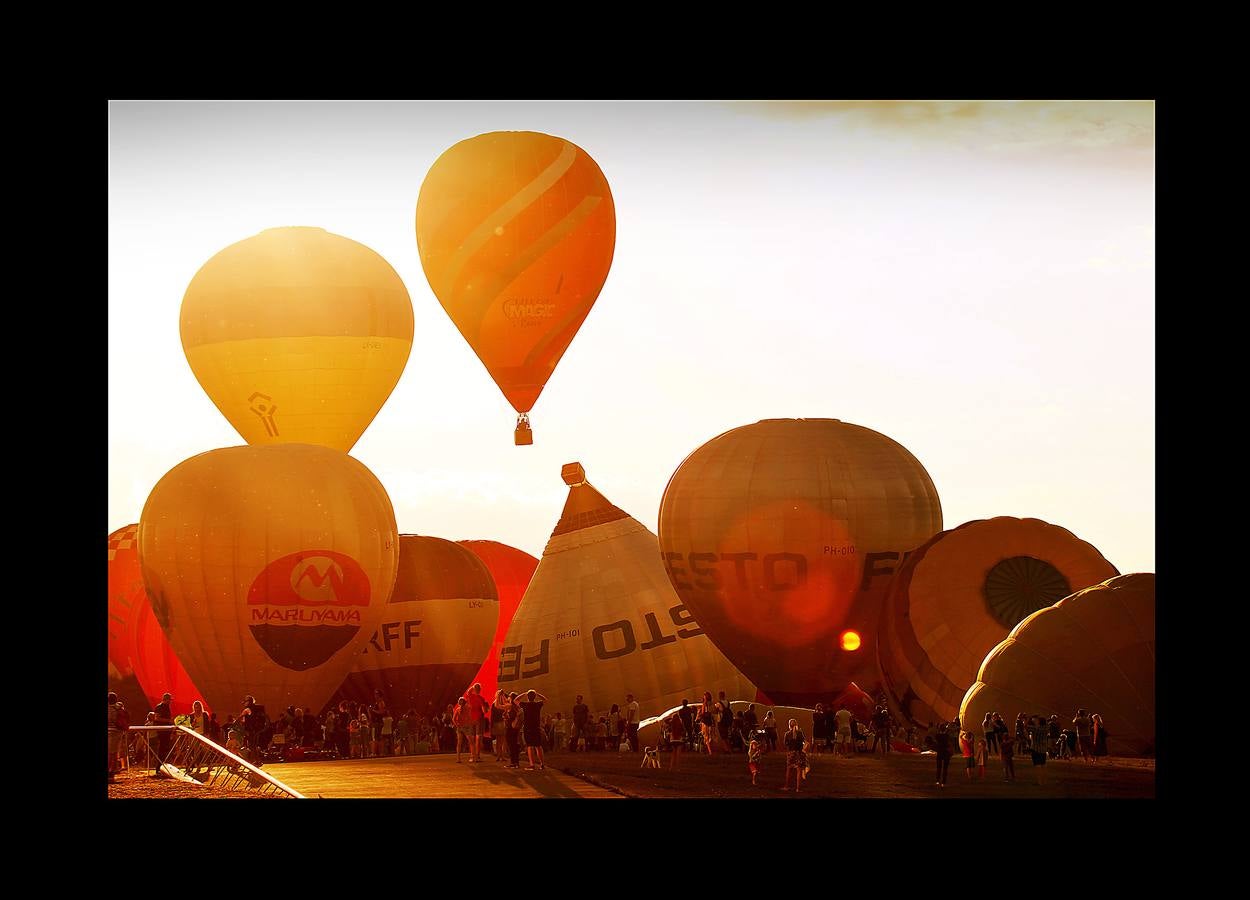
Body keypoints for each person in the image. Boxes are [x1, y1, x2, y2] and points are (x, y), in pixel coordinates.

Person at [519, 689, 547, 770]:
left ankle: (532, 764)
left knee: (530, 746)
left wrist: (524, 693)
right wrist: (537, 694)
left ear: (528, 697)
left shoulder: (525, 705)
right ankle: (542, 764)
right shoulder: (538, 704)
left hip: (528, 727)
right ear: (534, 697)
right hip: (536, 726)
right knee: (538, 746)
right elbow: (545, 700)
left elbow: (515, 700)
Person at [463, 683, 490, 763]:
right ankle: (477, 756)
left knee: (471, 739)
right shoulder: (481, 698)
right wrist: (486, 708)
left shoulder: (470, 696)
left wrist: (473, 687)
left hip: (471, 719)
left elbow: (468, 691)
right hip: (479, 719)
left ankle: (472, 755)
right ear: (480, 690)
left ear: (474, 689)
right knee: (478, 738)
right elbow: (484, 711)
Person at [781, 719, 807, 793]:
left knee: (789, 770)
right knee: (799, 771)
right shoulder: (800, 733)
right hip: (798, 753)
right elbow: (804, 742)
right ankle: (798, 788)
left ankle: (786, 786)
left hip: (791, 753)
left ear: (789, 725)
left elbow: (785, 744)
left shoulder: (787, 734)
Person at [152, 692, 174, 777]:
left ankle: (162, 767)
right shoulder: (159, 707)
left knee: (165, 749)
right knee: (162, 749)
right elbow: (157, 718)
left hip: (166, 731)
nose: (170, 702)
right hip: (162, 731)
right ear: (166, 699)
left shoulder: (167, 707)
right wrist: (168, 721)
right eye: (169, 700)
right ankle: (159, 768)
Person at [107, 692, 125, 783]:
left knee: (110, 754)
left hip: (110, 731)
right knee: (113, 754)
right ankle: (111, 775)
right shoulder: (118, 708)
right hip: (116, 732)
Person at [505, 693, 523, 768]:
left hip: (510, 728)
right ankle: (515, 762)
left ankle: (513, 762)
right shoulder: (516, 707)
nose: (508, 697)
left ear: (512, 698)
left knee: (511, 745)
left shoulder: (511, 706)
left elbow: (498, 706)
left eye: (509, 696)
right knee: (514, 744)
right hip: (515, 728)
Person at [933, 723, 952, 787]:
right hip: (946, 752)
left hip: (940, 752)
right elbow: (949, 741)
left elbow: (936, 740)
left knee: (939, 767)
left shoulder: (937, 736)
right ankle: (943, 782)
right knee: (945, 768)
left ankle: (937, 780)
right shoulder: (947, 736)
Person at [492, 690, 509, 762]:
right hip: (501, 722)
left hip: (496, 723)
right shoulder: (502, 704)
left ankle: (499, 755)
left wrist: (492, 725)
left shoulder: (494, 704)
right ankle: (502, 756)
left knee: (498, 740)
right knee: (502, 740)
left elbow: (492, 716)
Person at [452, 698, 470, 763]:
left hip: (464, 727)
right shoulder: (459, 709)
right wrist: (457, 724)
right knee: (461, 742)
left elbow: (469, 716)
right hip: (461, 727)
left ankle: (471, 756)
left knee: (467, 741)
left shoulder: (465, 708)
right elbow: (453, 719)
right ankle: (459, 758)